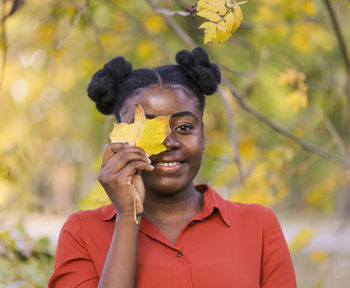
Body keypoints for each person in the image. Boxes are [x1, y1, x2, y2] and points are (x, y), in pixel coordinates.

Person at [49, 47, 297, 288]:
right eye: (146, 129)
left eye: (184, 128)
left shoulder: (259, 225)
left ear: (203, 136)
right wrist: (128, 217)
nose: (168, 142)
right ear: (119, 140)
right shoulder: (81, 232)